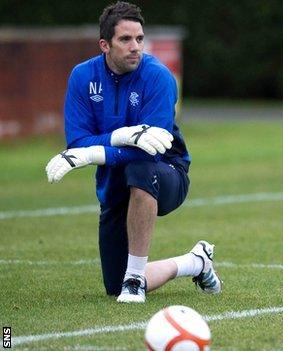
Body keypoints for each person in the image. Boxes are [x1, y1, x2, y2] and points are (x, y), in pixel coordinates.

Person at [45, 1, 221, 303]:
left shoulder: (159, 77)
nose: (135, 47)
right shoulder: (82, 77)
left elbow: (152, 150)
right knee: (115, 285)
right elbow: (76, 143)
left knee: (139, 170)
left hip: (166, 172)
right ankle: (195, 262)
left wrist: (95, 153)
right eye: (125, 39)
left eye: (139, 38)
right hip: (114, 185)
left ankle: (136, 278)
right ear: (105, 44)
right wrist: (118, 137)